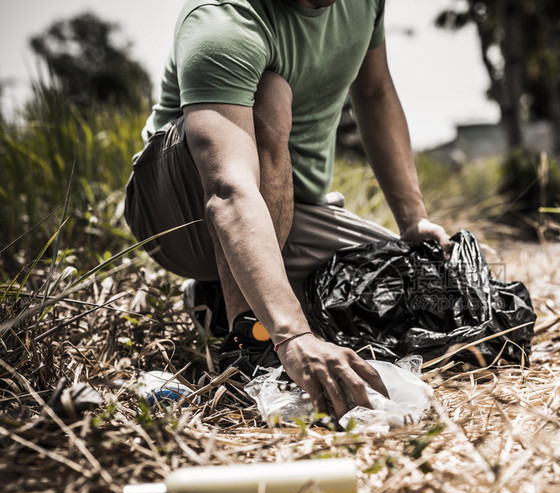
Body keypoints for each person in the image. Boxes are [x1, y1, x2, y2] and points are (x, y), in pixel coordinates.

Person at [124, 0, 452, 419]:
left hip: (292, 209)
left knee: (424, 296)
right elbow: (228, 190)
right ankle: (250, 342)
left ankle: (214, 299)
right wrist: (291, 335)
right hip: (179, 214)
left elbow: (375, 91)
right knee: (271, 90)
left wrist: (413, 220)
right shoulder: (224, 20)